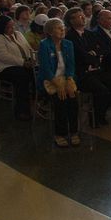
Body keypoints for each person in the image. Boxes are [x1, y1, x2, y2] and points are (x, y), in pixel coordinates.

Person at [64, 7, 111, 126]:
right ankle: (96, 118)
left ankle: (107, 108)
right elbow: (80, 56)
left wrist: (93, 54)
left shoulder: (89, 34)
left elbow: (100, 51)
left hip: (96, 69)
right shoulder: (69, 37)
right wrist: (92, 55)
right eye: (79, 16)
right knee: (102, 90)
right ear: (71, 20)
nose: (83, 17)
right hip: (82, 73)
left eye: (82, 15)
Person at [37, 18, 78, 147]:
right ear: (50, 32)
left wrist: (70, 79)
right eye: (58, 28)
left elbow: (71, 65)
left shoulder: (68, 44)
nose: (62, 30)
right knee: (60, 100)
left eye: (63, 27)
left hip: (65, 77)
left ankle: (74, 131)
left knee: (73, 98)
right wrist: (58, 84)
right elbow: (45, 68)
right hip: (50, 79)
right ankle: (60, 133)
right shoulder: (44, 45)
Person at [0, 15, 35, 120]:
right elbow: (3, 56)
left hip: (23, 64)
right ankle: (21, 110)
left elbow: (28, 47)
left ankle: (36, 103)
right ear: (2, 28)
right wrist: (23, 62)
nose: (12, 29)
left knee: (36, 74)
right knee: (22, 77)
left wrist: (31, 58)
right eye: (9, 27)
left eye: (12, 26)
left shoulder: (18, 34)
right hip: (5, 67)